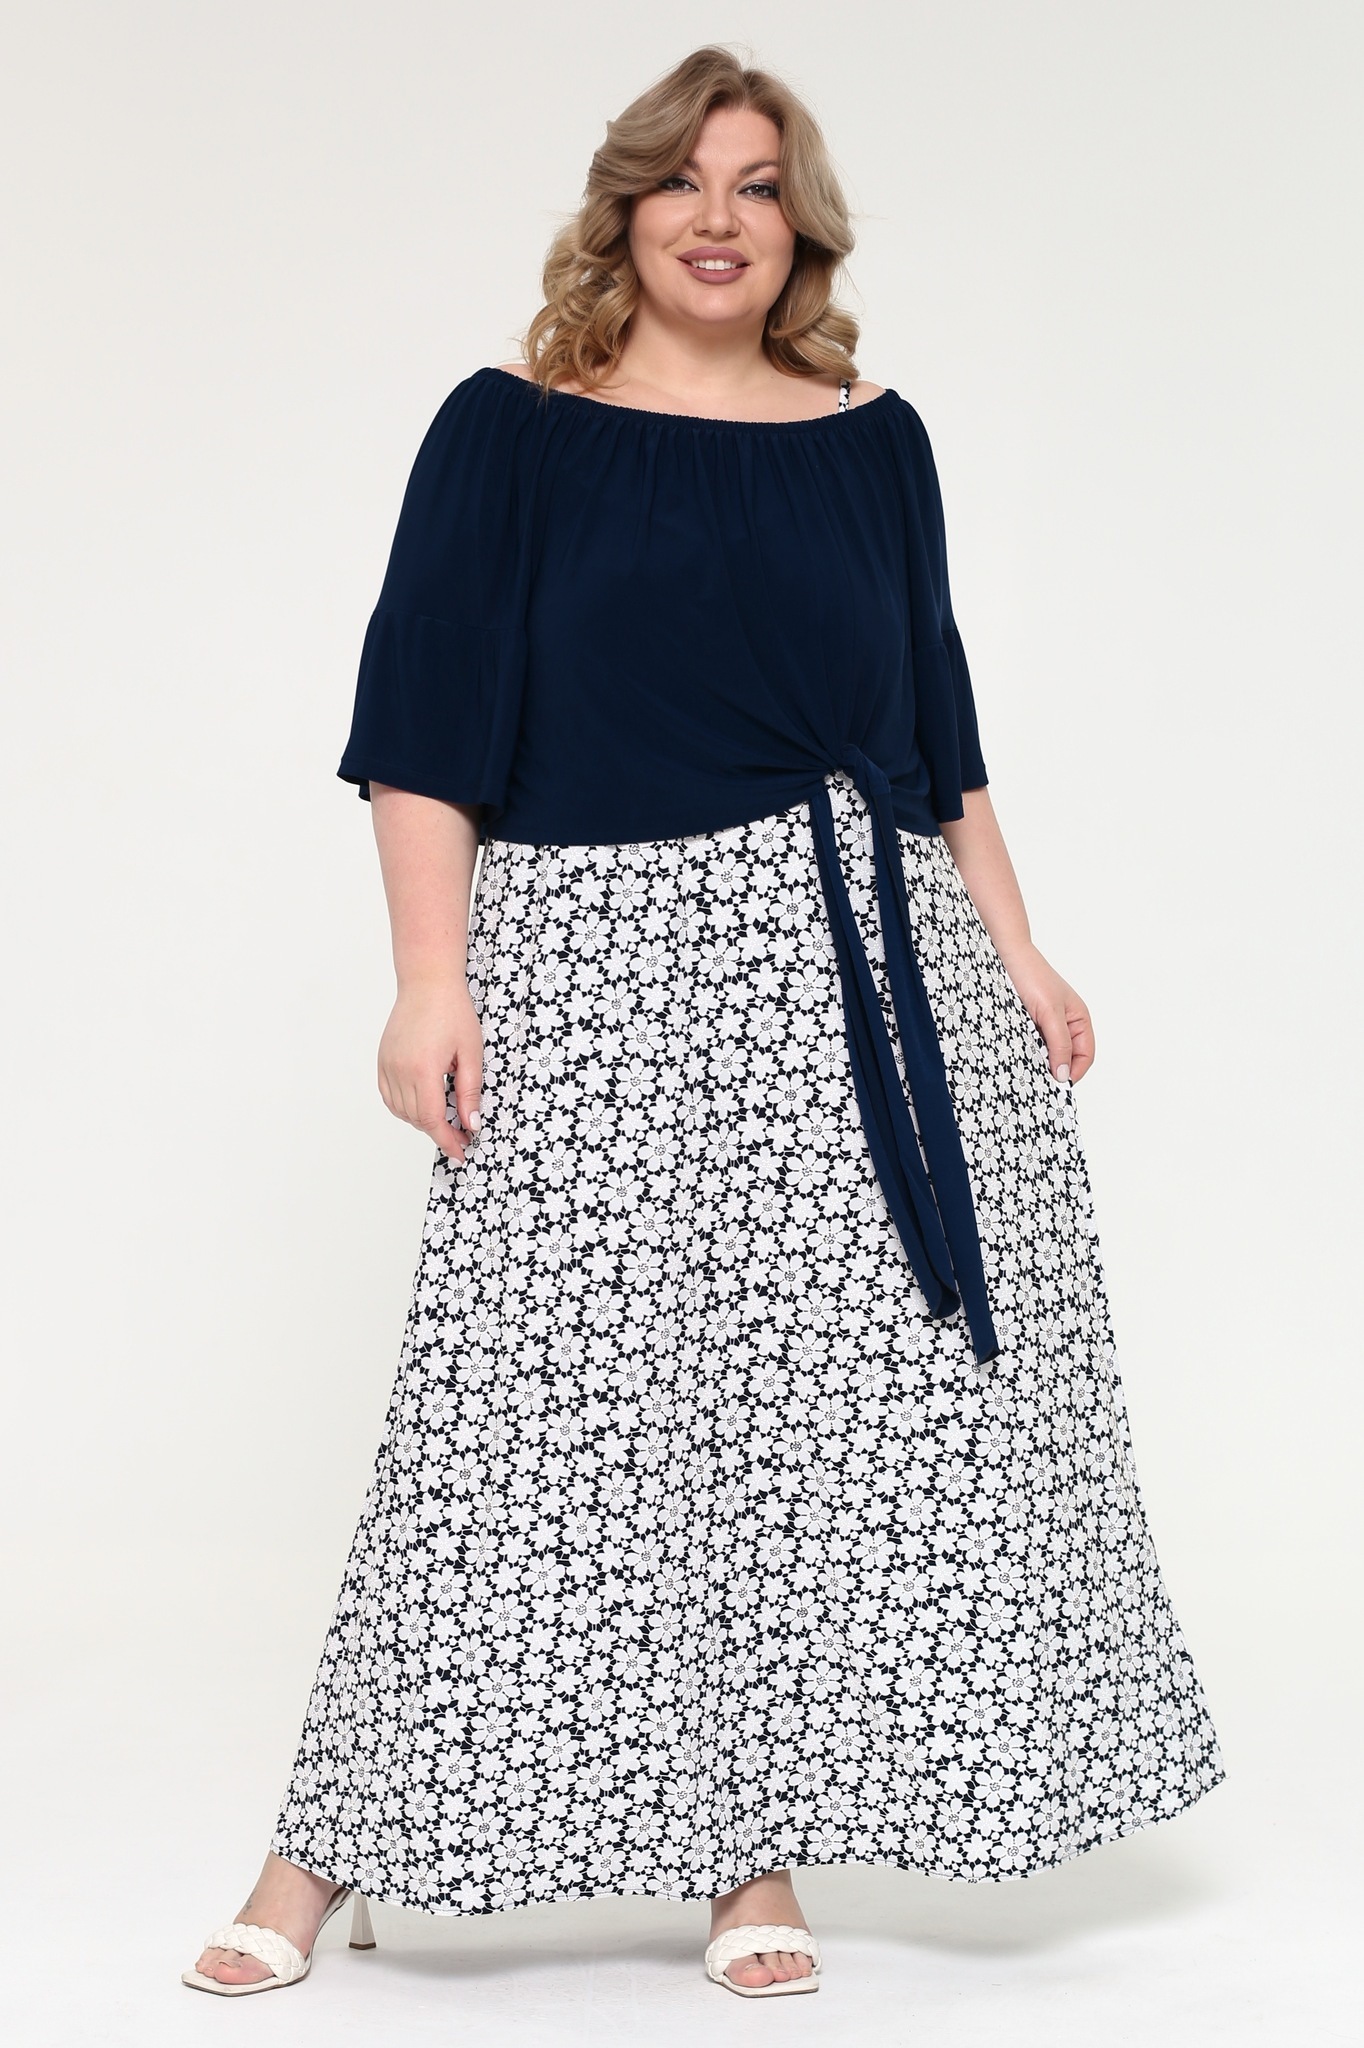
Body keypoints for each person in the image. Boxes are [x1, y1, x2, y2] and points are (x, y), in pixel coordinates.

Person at [183, 44, 1224, 2005]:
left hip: (864, 978)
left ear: (799, 227)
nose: (719, 217)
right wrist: (429, 976)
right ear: (626, 212)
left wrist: (1017, 949)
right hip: (593, 961)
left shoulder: (874, 440)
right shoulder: (510, 434)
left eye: (756, 185)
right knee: (513, 1412)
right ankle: (317, 1857)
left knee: (797, 1434)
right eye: (683, 181)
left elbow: (936, 736)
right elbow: (426, 724)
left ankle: (752, 1865)